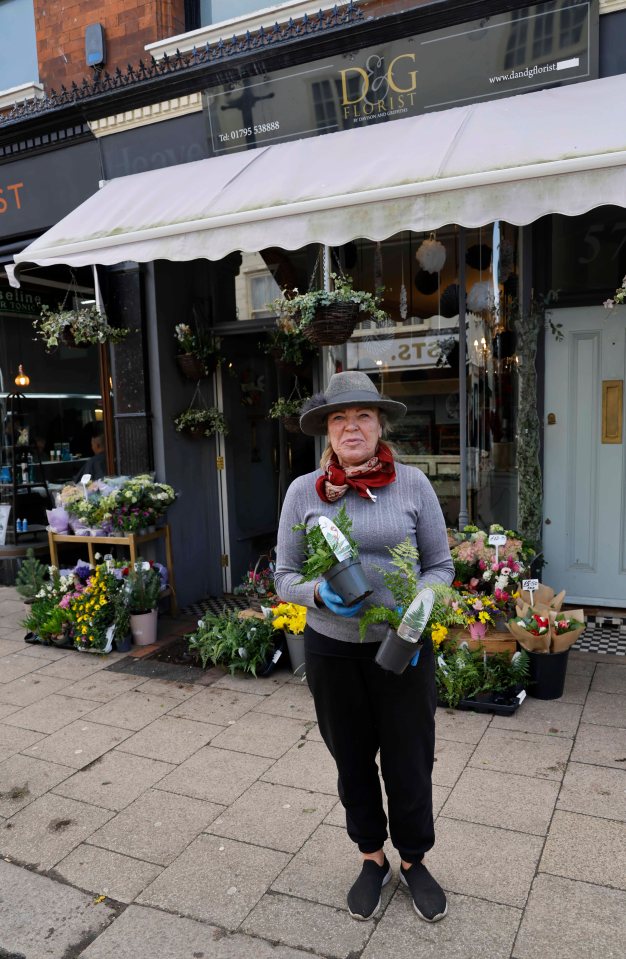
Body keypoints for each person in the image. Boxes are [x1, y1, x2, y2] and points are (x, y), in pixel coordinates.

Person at [275, 371, 454, 924]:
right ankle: (371, 857)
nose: (351, 427)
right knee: (351, 757)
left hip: (403, 649)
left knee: (409, 758)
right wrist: (319, 594)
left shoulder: (413, 485)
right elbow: (283, 575)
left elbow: (440, 565)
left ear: (379, 427)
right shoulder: (303, 492)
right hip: (333, 651)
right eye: (339, 418)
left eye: (362, 417)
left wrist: (421, 608)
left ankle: (414, 859)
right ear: (327, 431)